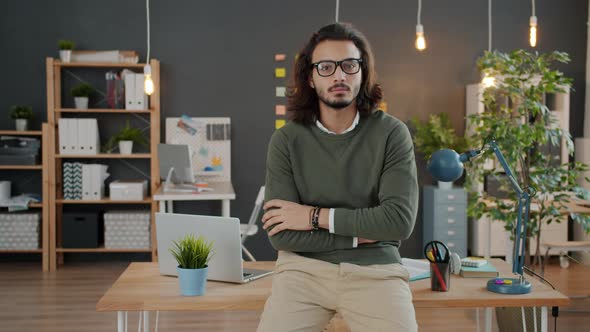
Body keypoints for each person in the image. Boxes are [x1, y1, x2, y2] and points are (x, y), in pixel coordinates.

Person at [257, 22, 419, 332]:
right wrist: (364, 230)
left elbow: (398, 222)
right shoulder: (287, 141)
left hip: (376, 270)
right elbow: (282, 235)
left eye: (349, 65)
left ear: (363, 72)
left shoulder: (391, 134)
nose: (339, 75)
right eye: (327, 67)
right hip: (302, 271)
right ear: (311, 77)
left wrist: (313, 216)